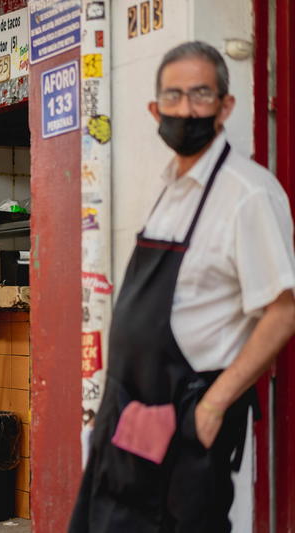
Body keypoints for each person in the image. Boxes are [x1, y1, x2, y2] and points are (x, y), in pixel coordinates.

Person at [69, 41, 295, 532]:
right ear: (155, 108)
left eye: (200, 95)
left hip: (190, 424)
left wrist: (213, 407)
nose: (185, 109)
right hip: (130, 417)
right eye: (173, 96)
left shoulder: (248, 194)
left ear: (225, 105)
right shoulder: (170, 186)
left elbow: (283, 311)